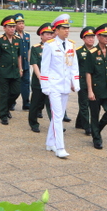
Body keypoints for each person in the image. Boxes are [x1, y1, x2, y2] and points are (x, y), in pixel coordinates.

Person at [40, 14, 80, 158]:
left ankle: (50, 142)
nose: (67, 31)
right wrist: (45, 86)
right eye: (63, 28)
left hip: (64, 86)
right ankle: (59, 147)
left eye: (68, 28)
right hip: (53, 85)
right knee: (57, 117)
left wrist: (75, 83)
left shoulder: (71, 45)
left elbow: (74, 66)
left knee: (60, 115)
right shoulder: (50, 45)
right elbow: (44, 67)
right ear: (56, 30)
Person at [86, 23, 107, 150]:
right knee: (94, 114)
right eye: (104, 36)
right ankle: (97, 139)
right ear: (98, 37)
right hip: (96, 89)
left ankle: (96, 129)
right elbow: (88, 73)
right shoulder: (92, 53)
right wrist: (90, 91)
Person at [0, 15, 22, 125]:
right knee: (4, 94)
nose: (12, 28)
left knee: (16, 92)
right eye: (9, 26)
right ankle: (3, 115)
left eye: (14, 26)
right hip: (3, 71)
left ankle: (7, 107)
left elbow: (19, 56)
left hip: (15, 71)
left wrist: (21, 68)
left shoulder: (18, 39)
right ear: (4, 28)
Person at [28, 23, 53, 133]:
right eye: (47, 34)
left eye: (51, 34)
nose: (49, 36)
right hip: (39, 81)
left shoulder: (54, 48)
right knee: (36, 103)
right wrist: (41, 78)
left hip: (52, 81)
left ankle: (55, 125)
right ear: (41, 36)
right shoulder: (36, 48)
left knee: (51, 104)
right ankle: (34, 123)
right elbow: (34, 64)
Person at [74, 26, 96, 136]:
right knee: (83, 104)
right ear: (83, 38)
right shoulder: (78, 52)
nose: (91, 39)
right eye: (89, 37)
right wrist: (73, 82)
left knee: (91, 104)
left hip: (94, 82)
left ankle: (79, 122)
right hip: (82, 81)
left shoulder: (97, 51)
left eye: (93, 37)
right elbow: (74, 68)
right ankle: (87, 126)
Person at [14, 13, 31, 110]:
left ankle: (26, 103)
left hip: (25, 63)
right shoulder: (14, 36)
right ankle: (12, 102)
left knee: (26, 83)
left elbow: (28, 49)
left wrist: (28, 61)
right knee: (15, 84)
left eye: (22, 23)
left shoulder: (27, 35)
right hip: (16, 64)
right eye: (19, 23)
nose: (21, 25)